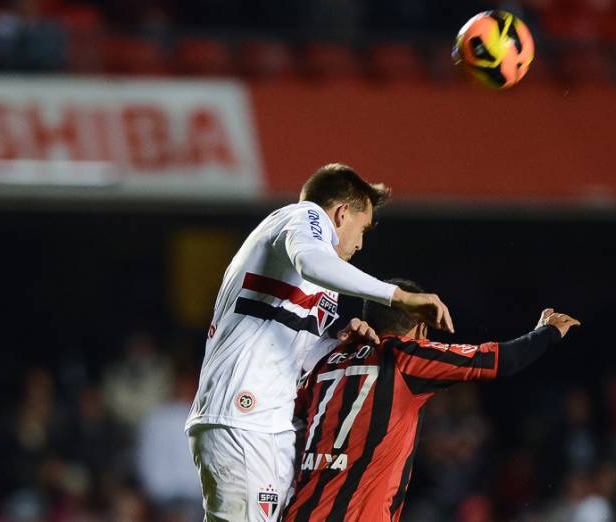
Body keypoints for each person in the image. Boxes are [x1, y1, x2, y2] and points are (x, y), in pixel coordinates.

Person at [186, 164, 454, 522]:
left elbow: (294, 350)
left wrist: (334, 342)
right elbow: (312, 261)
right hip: (244, 419)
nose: (360, 244)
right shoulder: (301, 217)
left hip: (268, 425)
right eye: (363, 229)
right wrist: (399, 297)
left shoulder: (316, 278)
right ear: (342, 213)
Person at [282, 278, 580, 521]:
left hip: (298, 513)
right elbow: (501, 360)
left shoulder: (328, 361)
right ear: (421, 328)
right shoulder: (404, 356)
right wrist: (547, 332)